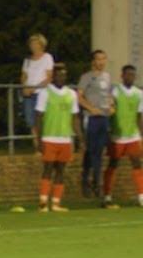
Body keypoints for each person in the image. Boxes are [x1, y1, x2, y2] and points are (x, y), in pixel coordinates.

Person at [34, 63, 84, 212]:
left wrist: (80, 138)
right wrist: (39, 138)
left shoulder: (71, 94)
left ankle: (56, 203)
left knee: (61, 170)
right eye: (59, 75)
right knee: (48, 168)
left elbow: (75, 118)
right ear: (53, 77)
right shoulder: (45, 93)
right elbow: (39, 117)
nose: (62, 78)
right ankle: (43, 202)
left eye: (64, 75)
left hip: (65, 139)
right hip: (50, 137)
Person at [104, 64, 143, 208]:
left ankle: (141, 196)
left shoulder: (139, 93)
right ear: (122, 76)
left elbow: (139, 116)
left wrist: (141, 135)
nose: (130, 77)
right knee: (113, 164)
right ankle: (107, 196)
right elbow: (110, 112)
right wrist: (108, 131)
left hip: (132, 135)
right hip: (117, 135)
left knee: (137, 163)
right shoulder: (115, 92)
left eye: (132, 75)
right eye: (127, 74)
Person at [76, 49, 114, 198]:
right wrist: (91, 109)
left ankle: (95, 181)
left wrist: (111, 106)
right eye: (99, 59)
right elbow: (79, 97)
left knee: (99, 151)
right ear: (93, 61)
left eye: (104, 59)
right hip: (91, 118)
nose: (101, 62)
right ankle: (88, 179)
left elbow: (109, 94)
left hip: (104, 117)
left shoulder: (107, 77)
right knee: (91, 151)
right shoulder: (87, 77)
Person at [19, 34, 54, 152]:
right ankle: (37, 148)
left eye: (36, 44)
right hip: (28, 94)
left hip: (41, 93)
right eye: (32, 44)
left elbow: (49, 77)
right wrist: (24, 87)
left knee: (42, 120)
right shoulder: (27, 60)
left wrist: (34, 88)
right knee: (31, 121)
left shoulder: (47, 57)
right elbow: (24, 76)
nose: (33, 46)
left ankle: (46, 145)